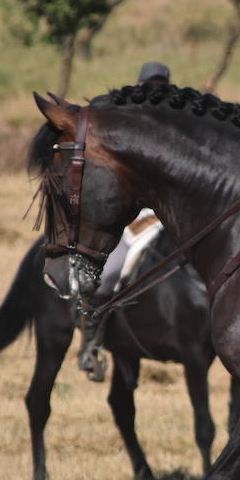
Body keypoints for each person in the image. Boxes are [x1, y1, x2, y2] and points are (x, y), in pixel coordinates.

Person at [76, 62, 172, 377]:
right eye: (150, 83)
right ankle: (92, 341)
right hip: (137, 217)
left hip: (174, 215)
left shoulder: (178, 125)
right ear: (139, 86)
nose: (155, 89)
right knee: (109, 273)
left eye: (161, 83)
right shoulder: (127, 126)